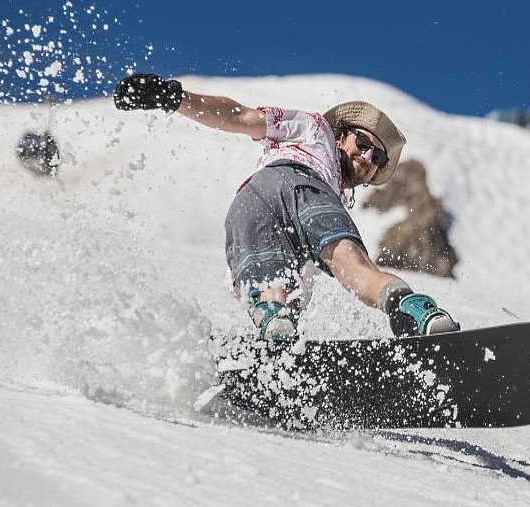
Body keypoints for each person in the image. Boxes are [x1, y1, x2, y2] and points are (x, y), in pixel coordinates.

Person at [113, 73, 460, 340]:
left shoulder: (332, 188)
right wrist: (175, 96)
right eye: (363, 142)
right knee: (354, 267)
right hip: (299, 185)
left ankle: (275, 323)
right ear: (341, 135)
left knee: (275, 294)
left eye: (377, 157)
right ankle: (415, 312)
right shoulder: (315, 128)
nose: (367, 157)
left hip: (249, 204)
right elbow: (241, 117)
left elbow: (302, 269)